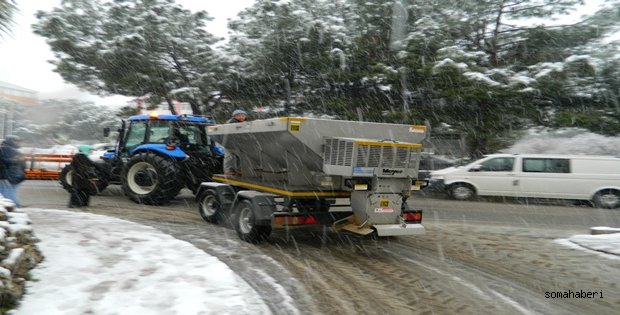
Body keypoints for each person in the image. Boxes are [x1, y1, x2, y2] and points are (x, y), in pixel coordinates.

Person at [223, 109, 248, 176]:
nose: (241, 117)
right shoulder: (231, 122)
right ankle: (228, 170)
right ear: (234, 116)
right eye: (239, 116)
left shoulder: (245, 123)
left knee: (239, 156)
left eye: (243, 116)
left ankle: (238, 170)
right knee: (230, 157)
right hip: (229, 142)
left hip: (238, 142)